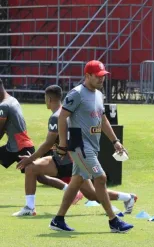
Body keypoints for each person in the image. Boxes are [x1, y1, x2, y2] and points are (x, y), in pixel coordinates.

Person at [12, 85, 137, 217]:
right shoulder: (63, 113)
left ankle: (127, 198)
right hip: (62, 159)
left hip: (69, 161)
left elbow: (48, 143)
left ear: (48, 99)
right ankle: (30, 208)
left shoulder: (56, 117)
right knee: (31, 169)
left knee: (93, 194)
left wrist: (30, 158)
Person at [48, 60, 133, 233]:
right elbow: (62, 117)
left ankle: (58, 220)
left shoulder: (99, 94)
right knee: (100, 178)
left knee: (76, 181)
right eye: (98, 76)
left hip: (92, 146)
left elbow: (102, 119)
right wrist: (63, 143)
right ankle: (113, 220)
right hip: (79, 145)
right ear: (87, 76)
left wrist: (115, 141)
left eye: (103, 76)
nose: (102, 79)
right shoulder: (77, 93)